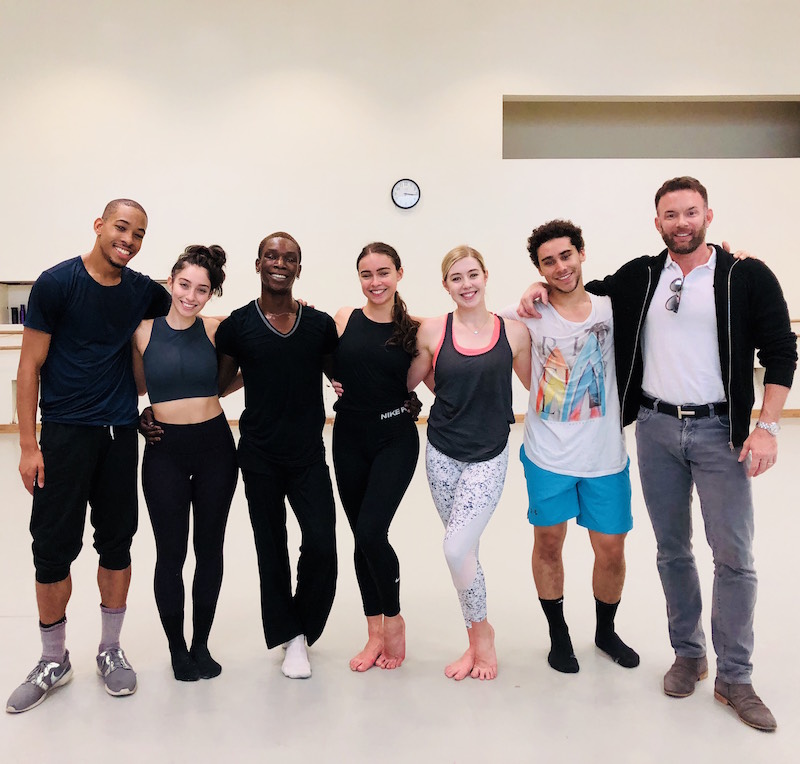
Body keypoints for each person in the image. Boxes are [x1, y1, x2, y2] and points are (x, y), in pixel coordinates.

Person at [519, 177, 796, 731]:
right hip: (655, 428)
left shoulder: (746, 274)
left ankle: (735, 676)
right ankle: (689, 654)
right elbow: (578, 292)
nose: (682, 223)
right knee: (672, 550)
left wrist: (765, 426)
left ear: (709, 215)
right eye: (671, 215)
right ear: (658, 223)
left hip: (721, 432)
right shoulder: (643, 275)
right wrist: (534, 286)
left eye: (691, 212)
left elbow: (782, 349)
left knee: (734, 555)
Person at [7, 199, 171, 714]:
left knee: (117, 543)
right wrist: (29, 445)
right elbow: (29, 367)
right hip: (63, 435)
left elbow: (188, 313)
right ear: (99, 226)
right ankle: (53, 659)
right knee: (52, 548)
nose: (129, 239)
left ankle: (110, 649)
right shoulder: (56, 284)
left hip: (120, 434)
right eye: (121, 228)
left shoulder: (141, 290)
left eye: (139, 233)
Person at [501, 219, 639, 675]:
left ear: (582, 253)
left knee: (612, 550)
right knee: (548, 544)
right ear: (538, 269)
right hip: (548, 455)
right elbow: (468, 321)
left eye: (566, 256)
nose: (560, 267)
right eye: (548, 261)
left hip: (605, 457)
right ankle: (558, 635)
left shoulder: (611, 307)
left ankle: (604, 631)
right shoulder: (528, 315)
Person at [215, 231, 338, 680]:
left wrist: (404, 396)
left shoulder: (320, 324)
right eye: (272, 255)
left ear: (299, 269)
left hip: (307, 454)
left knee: (322, 545)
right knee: (272, 548)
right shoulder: (238, 325)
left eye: (289, 258)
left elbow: (346, 373)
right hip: (260, 456)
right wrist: (157, 409)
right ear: (258, 264)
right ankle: (291, 637)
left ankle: (304, 624)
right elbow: (216, 385)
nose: (280, 262)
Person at [408, 246, 531, 681]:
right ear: (446, 286)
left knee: (456, 548)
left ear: (485, 276)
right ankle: (476, 640)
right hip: (441, 452)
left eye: (473, 274)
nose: (466, 284)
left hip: (488, 455)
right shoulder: (433, 331)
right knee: (466, 553)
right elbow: (414, 379)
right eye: (456, 278)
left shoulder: (514, 333)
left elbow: (540, 385)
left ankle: (484, 637)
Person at [132, 245, 238, 682]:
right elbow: (134, 388)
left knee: (209, 550)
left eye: (202, 290)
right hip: (165, 451)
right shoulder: (141, 330)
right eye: (184, 285)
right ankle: (177, 648)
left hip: (215, 446)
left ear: (211, 293)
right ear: (171, 280)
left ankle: (201, 644)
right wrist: (140, 417)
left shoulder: (216, 330)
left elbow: (254, 362)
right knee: (171, 553)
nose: (191, 296)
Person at [332, 242, 420, 672]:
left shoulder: (416, 328)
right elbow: (324, 356)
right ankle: (373, 632)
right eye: (367, 274)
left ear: (399, 273)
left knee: (370, 531)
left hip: (394, 439)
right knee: (359, 539)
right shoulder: (344, 318)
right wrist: (334, 380)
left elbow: (440, 376)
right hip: (347, 437)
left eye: (383, 272)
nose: (375, 282)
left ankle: (395, 619)